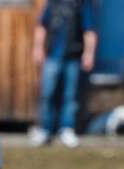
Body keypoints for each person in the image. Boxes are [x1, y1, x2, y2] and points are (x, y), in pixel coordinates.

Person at [29, 0, 98, 148]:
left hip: (73, 57)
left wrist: (89, 54)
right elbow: (42, 26)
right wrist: (38, 47)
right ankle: (45, 129)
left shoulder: (81, 4)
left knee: (70, 97)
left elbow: (89, 30)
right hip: (52, 55)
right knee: (47, 94)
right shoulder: (53, 3)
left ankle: (67, 129)